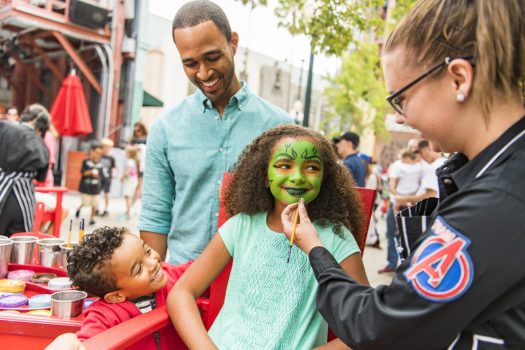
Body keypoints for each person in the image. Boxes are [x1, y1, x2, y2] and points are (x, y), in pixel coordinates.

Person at [283, 0, 525, 348]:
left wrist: (315, 250)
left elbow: (376, 325)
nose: (400, 118)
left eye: (401, 98)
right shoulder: (496, 175)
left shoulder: (497, 200)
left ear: (459, 78)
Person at [168, 124, 369, 349]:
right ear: (264, 176)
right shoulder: (241, 227)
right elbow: (181, 293)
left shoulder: (335, 239)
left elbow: (367, 325)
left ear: (324, 178)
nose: (298, 177)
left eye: (311, 167)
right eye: (285, 165)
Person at [139, 0, 292, 264]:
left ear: (233, 42)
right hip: (182, 277)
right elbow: (156, 214)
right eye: (190, 63)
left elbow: (290, 210)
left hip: (252, 279)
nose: (204, 72)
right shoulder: (165, 129)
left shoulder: (280, 127)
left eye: (212, 57)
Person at [44, 226, 191, 350]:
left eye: (147, 251)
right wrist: (69, 340)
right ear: (115, 296)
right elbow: (88, 343)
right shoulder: (103, 316)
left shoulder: (174, 276)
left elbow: (207, 270)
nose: (153, 263)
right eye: (139, 269)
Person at [0, 104, 49, 236]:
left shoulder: (3, 128)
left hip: (1, 186)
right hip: (23, 198)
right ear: (40, 129)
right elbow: (41, 177)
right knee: (20, 243)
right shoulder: (40, 144)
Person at [379, 148, 423, 273]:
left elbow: (420, 184)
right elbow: (393, 184)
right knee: (393, 234)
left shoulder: (420, 167)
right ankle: (392, 264)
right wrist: (398, 196)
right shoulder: (398, 165)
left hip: (410, 203)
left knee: (406, 235)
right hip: (398, 201)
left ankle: (404, 266)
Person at [395, 139, 447, 208]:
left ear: (426, 149)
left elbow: (430, 195)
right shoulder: (444, 162)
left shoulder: (434, 167)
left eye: (421, 153)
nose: (422, 157)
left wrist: (404, 199)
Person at [75, 143, 103, 226]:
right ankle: (79, 208)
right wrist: (90, 172)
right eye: (97, 152)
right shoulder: (86, 162)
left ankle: (92, 219)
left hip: (96, 187)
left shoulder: (100, 164)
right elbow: (82, 173)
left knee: (95, 204)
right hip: (86, 187)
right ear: (92, 151)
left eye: (100, 153)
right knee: (86, 203)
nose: (98, 155)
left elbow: (101, 175)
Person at [129, 122, 147, 210]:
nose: (137, 132)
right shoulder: (133, 139)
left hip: (143, 165)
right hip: (133, 165)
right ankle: (133, 205)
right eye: (135, 130)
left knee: (139, 185)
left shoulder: (147, 138)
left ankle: (131, 206)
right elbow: (128, 149)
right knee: (138, 186)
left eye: (139, 130)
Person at [98, 138, 116, 217]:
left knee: (106, 193)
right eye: (105, 147)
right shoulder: (99, 156)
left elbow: (114, 167)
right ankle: (97, 208)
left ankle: (106, 209)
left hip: (107, 178)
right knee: (98, 193)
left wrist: (114, 174)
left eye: (108, 147)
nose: (107, 149)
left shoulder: (111, 158)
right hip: (99, 177)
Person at [121, 145, 139, 220]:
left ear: (129, 153)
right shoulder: (134, 161)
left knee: (127, 196)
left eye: (126, 152)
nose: (125, 153)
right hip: (134, 179)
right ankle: (128, 211)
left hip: (129, 180)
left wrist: (122, 177)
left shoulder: (129, 161)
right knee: (129, 195)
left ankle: (128, 212)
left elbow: (127, 172)